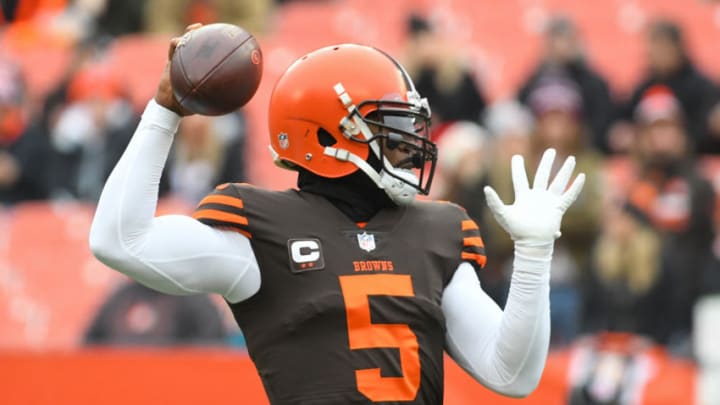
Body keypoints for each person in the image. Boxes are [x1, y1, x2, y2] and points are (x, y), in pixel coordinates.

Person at [89, 24, 585, 403]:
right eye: (392, 126)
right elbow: (120, 241)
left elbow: (512, 374)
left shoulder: (438, 230)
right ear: (328, 136)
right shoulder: (261, 229)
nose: (412, 144)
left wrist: (536, 250)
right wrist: (164, 111)